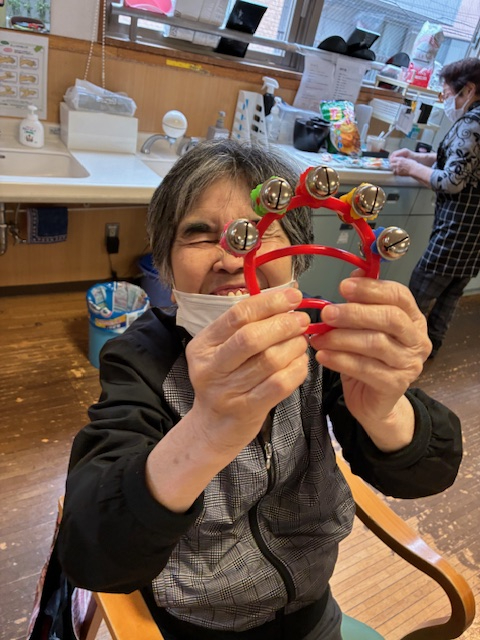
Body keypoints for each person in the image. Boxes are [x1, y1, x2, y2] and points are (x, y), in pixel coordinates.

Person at [38, 139, 462, 640]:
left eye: (259, 231)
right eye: (200, 234)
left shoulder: (321, 337)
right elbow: (92, 550)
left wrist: (385, 412)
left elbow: (429, 472)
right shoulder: (140, 358)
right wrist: (208, 430)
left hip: (313, 612)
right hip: (194, 627)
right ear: (166, 268)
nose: (233, 258)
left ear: (296, 257)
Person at [389, 57, 480, 358]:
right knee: (451, 294)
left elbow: (452, 181)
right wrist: (419, 158)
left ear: (468, 90)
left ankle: (400, 349)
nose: (445, 100)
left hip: (458, 229)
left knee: (421, 287)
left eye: (447, 94)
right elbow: (462, 163)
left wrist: (409, 167)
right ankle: (429, 349)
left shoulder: (471, 123)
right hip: (476, 236)